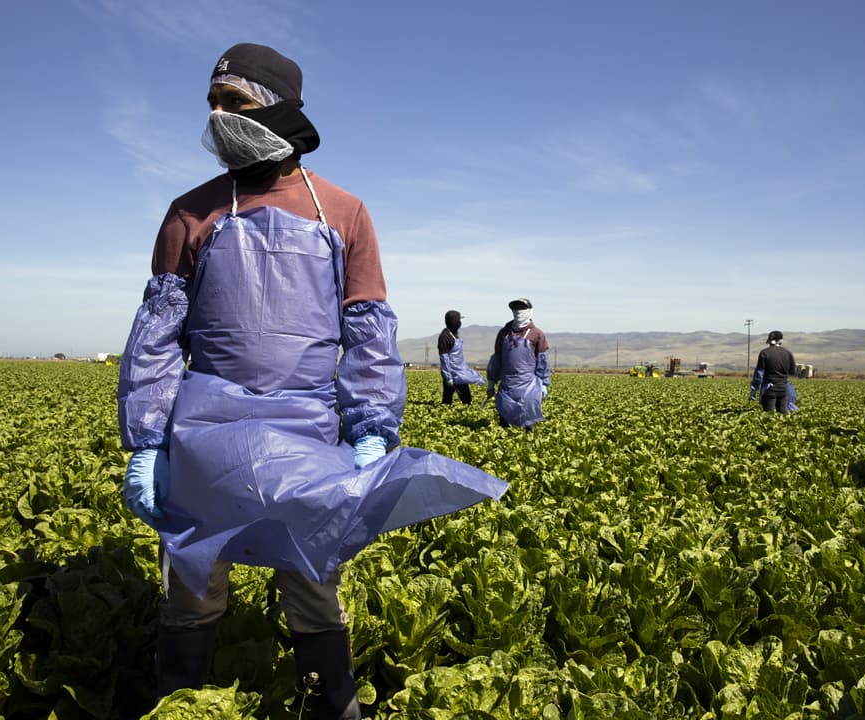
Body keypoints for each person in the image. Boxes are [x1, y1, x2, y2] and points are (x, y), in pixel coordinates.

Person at [115, 43, 506, 718]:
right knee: (193, 583)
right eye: (211, 102)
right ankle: (181, 701)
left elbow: (367, 332)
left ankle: (333, 705)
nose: (216, 117)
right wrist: (148, 441)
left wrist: (373, 429)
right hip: (206, 430)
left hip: (307, 429)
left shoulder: (343, 213)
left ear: (278, 107)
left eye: (233, 102)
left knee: (313, 578)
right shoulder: (191, 213)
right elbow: (157, 334)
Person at [486, 298, 550, 430]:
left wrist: (544, 383)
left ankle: (528, 442)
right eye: (515, 309)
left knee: (527, 417)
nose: (518, 312)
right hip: (507, 383)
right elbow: (496, 358)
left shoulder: (537, 334)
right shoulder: (504, 333)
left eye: (522, 308)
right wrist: (492, 380)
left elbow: (542, 361)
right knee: (504, 413)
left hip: (528, 384)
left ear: (530, 311)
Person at [438, 310, 484, 404]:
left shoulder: (454, 334)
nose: (460, 323)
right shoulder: (444, 336)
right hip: (452, 373)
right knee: (464, 399)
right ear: (454, 321)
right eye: (459, 320)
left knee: (450, 398)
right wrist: (448, 377)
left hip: (459, 371)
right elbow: (444, 358)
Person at [749, 330, 796, 414]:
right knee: (783, 413)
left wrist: (754, 389)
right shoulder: (788, 353)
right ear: (781, 340)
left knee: (769, 415)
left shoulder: (764, 353)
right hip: (783, 388)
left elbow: (759, 374)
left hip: (769, 388)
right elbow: (793, 371)